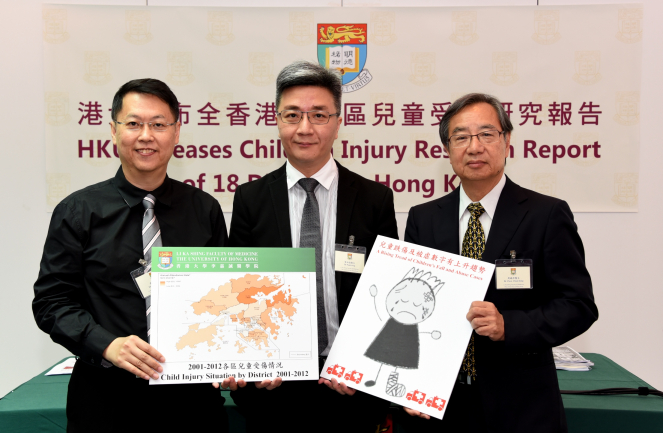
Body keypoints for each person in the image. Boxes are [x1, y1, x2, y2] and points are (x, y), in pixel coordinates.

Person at [33, 79, 229, 432]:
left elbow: (223, 301)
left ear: (176, 132)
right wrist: (107, 344)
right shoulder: (78, 211)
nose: (146, 136)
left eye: (158, 124)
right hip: (105, 399)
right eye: (134, 123)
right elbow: (52, 302)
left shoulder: (205, 210)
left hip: (192, 402)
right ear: (113, 130)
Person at [403, 93, 598, 433]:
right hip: (439, 406)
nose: (474, 147)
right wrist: (407, 383)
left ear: (507, 141)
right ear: (447, 151)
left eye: (486, 134)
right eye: (461, 137)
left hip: (520, 406)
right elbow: (410, 311)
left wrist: (510, 325)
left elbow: (578, 305)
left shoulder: (546, 215)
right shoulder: (423, 219)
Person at [222, 60, 398, 433]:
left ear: (338, 121)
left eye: (318, 115)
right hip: (273, 389)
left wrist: (361, 368)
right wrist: (256, 360)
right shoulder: (251, 199)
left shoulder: (374, 199)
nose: (305, 128)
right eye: (292, 115)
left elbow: (387, 296)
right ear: (276, 119)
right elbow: (237, 292)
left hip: (350, 389)